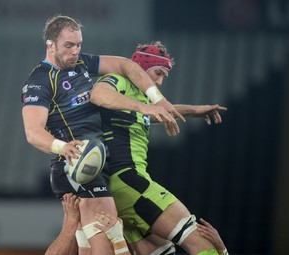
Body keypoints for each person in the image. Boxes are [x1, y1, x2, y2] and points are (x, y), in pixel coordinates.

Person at [21, 16, 184, 255]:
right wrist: (63, 148)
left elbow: (126, 65)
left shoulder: (81, 64)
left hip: (98, 161)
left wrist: (158, 100)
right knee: (109, 242)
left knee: (96, 247)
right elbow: (33, 132)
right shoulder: (40, 81)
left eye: (79, 44)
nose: (75, 51)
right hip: (79, 164)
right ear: (50, 45)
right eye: (69, 45)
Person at [89, 41, 227, 255]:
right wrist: (144, 107)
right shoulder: (120, 81)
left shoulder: (139, 97)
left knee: (163, 252)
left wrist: (195, 110)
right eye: (159, 73)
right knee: (203, 244)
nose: (160, 82)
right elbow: (98, 94)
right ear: (141, 67)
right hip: (129, 180)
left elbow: (153, 112)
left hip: (122, 187)